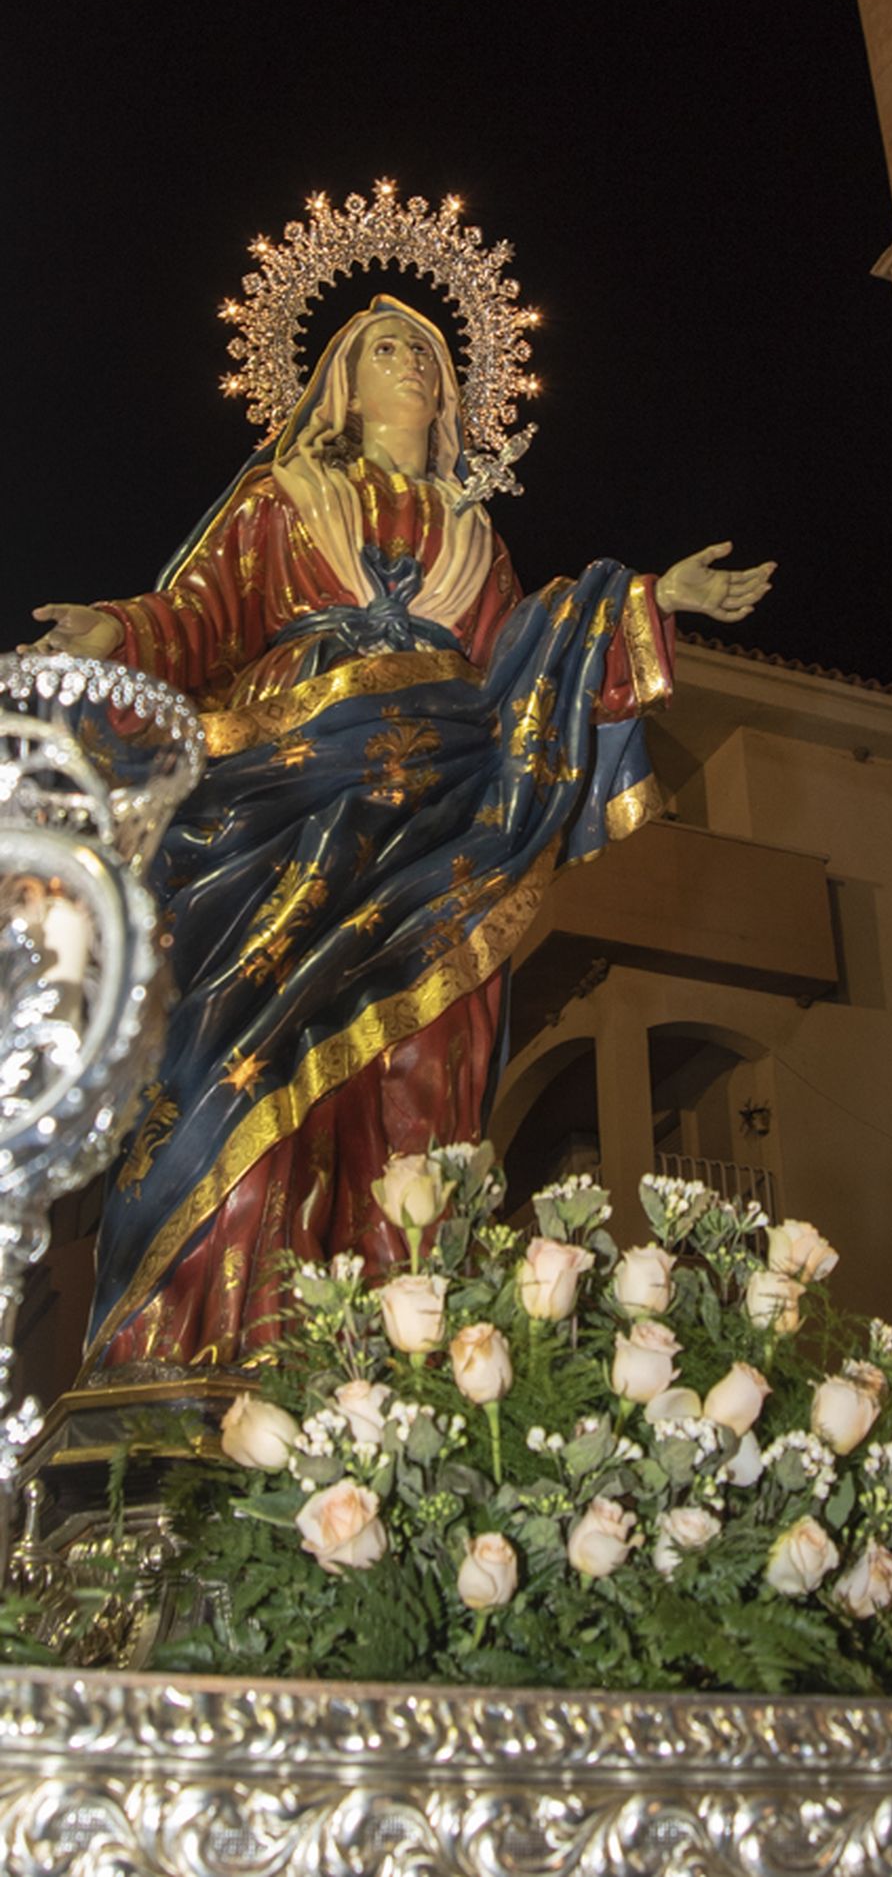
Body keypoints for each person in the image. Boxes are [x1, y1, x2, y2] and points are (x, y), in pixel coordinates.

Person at [29, 296, 773, 1374]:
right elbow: (201, 616)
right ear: (343, 385)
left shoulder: (477, 535)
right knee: (240, 1048)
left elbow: (530, 656)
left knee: (423, 1056)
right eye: (389, 348)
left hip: (445, 811)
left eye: (427, 352)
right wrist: (121, 629)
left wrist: (649, 600)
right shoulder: (284, 497)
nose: (414, 363)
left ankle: (399, 1353)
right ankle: (216, 1346)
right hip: (290, 791)